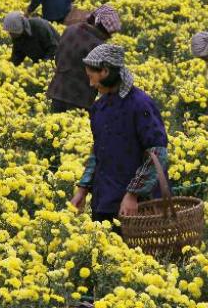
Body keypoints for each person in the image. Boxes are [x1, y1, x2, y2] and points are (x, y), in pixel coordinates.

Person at [70, 44, 169, 228]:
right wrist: (82, 190)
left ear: (106, 72)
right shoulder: (100, 107)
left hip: (135, 207)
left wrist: (133, 194)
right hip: (104, 201)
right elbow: (97, 152)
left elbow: (157, 152)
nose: (91, 84)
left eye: (92, 77)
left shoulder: (140, 105)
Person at [47, 5, 121, 113]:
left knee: (54, 127)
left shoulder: (70, 29)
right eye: (110, 33)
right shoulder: (99, 47)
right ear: (104, 29)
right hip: (80, 99)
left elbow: (57, 58)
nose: (110, 37)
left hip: (58, 92)